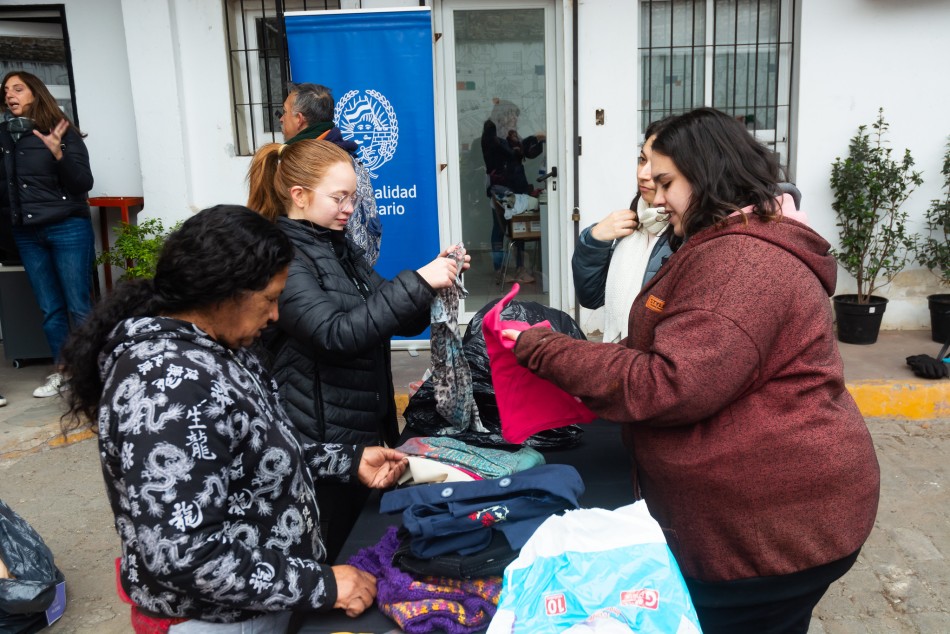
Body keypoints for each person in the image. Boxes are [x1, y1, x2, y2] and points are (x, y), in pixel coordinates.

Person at [502, 108, 880, 634]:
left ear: (707, 175)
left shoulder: (743, 264)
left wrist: (545, 350)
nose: (655, 197)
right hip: (769, 520)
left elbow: (668, 382)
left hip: (773, 533)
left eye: (666, 182)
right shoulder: (726, 245)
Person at [59, 206, 409, 631]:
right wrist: (322, 585)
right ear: (225, 293)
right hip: (219, 619)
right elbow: (184, 553)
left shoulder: (217, 348)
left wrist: (347, 460)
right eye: (270, 299)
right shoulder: (167, 386)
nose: (276, 315)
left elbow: (251, 451)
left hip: (261, 601)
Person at [246, 138, 469, 562]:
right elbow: (336, 335)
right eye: (339, 198)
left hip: (358, 429)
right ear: (299, 195)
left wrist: (433, 284)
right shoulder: (283, 257)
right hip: (318, 441)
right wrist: (419, 281)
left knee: (357, 544)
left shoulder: (338, 246)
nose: (350, 208)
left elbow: (394, 318)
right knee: (328, 554)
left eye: (353, 197)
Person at [1, 71, 94, 398]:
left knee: (78, 305)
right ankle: (63, 372)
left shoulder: (60, 130)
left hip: (67, 227)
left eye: (18, 88)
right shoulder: (3, 136)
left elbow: (83, 183)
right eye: (6, 90)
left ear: (35, 93)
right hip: (27, 233)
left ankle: (90, 373)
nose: (10, 95)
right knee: (50, 309)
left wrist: (58, 154)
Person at [572, 117, 673, 343]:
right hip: (620, 354)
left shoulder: (685, 236)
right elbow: (591, 297)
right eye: (642, 160)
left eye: (658, 164)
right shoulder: (634, 223)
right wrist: (594, 240)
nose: (643, 174)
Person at [278, 82, 382, 266]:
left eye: (284, 112)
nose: (281, 119)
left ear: (299, 119)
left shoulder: (323, 164)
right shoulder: (344, 156)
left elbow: (357, 238)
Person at [480, 100, 545, 284]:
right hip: (501, 191)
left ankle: (519, 268)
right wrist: (532, 138)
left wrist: (539, 140)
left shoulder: (510, 135)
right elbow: (511, 153)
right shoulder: (492, 134)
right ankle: (499, 270)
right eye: (513, 115)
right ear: (503, 116)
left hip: (517, 189)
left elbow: (527, 153)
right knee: (500, 229)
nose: (516, 119)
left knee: (519, 227)